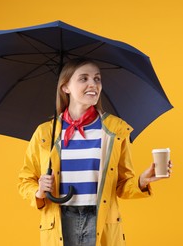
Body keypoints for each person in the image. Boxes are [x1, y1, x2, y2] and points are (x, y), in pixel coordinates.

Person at [18, 58, 172, 246]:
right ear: (65, 87)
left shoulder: (115, 130)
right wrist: (39, 191)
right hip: (59, 221)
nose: (93, 84)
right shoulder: (45, 133)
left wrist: (142, 181)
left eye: (97, 79)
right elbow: (25, 180)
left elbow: (122, 184)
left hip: (100, 219)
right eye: (83, 78)